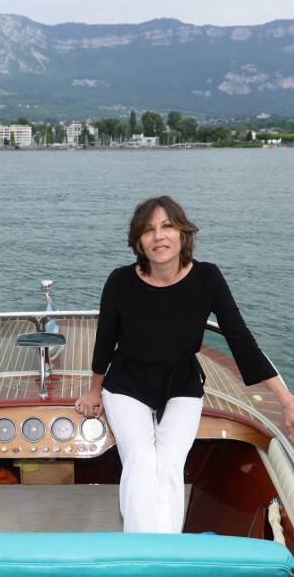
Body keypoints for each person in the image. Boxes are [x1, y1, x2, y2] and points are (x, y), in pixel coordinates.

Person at [75, 196, 294, 534]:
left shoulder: (207, 277)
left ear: (183, 234)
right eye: (148, 230)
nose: (158, 237)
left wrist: (287, 401)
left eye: (167, 226)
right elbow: (105, 341)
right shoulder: (120, 280)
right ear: (138, 241)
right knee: (142, 460)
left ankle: (161, 554)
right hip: (127, 382)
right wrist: (94, 390)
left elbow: (241, 342)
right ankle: (148, 556)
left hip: (182, 382)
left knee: (170, 466)